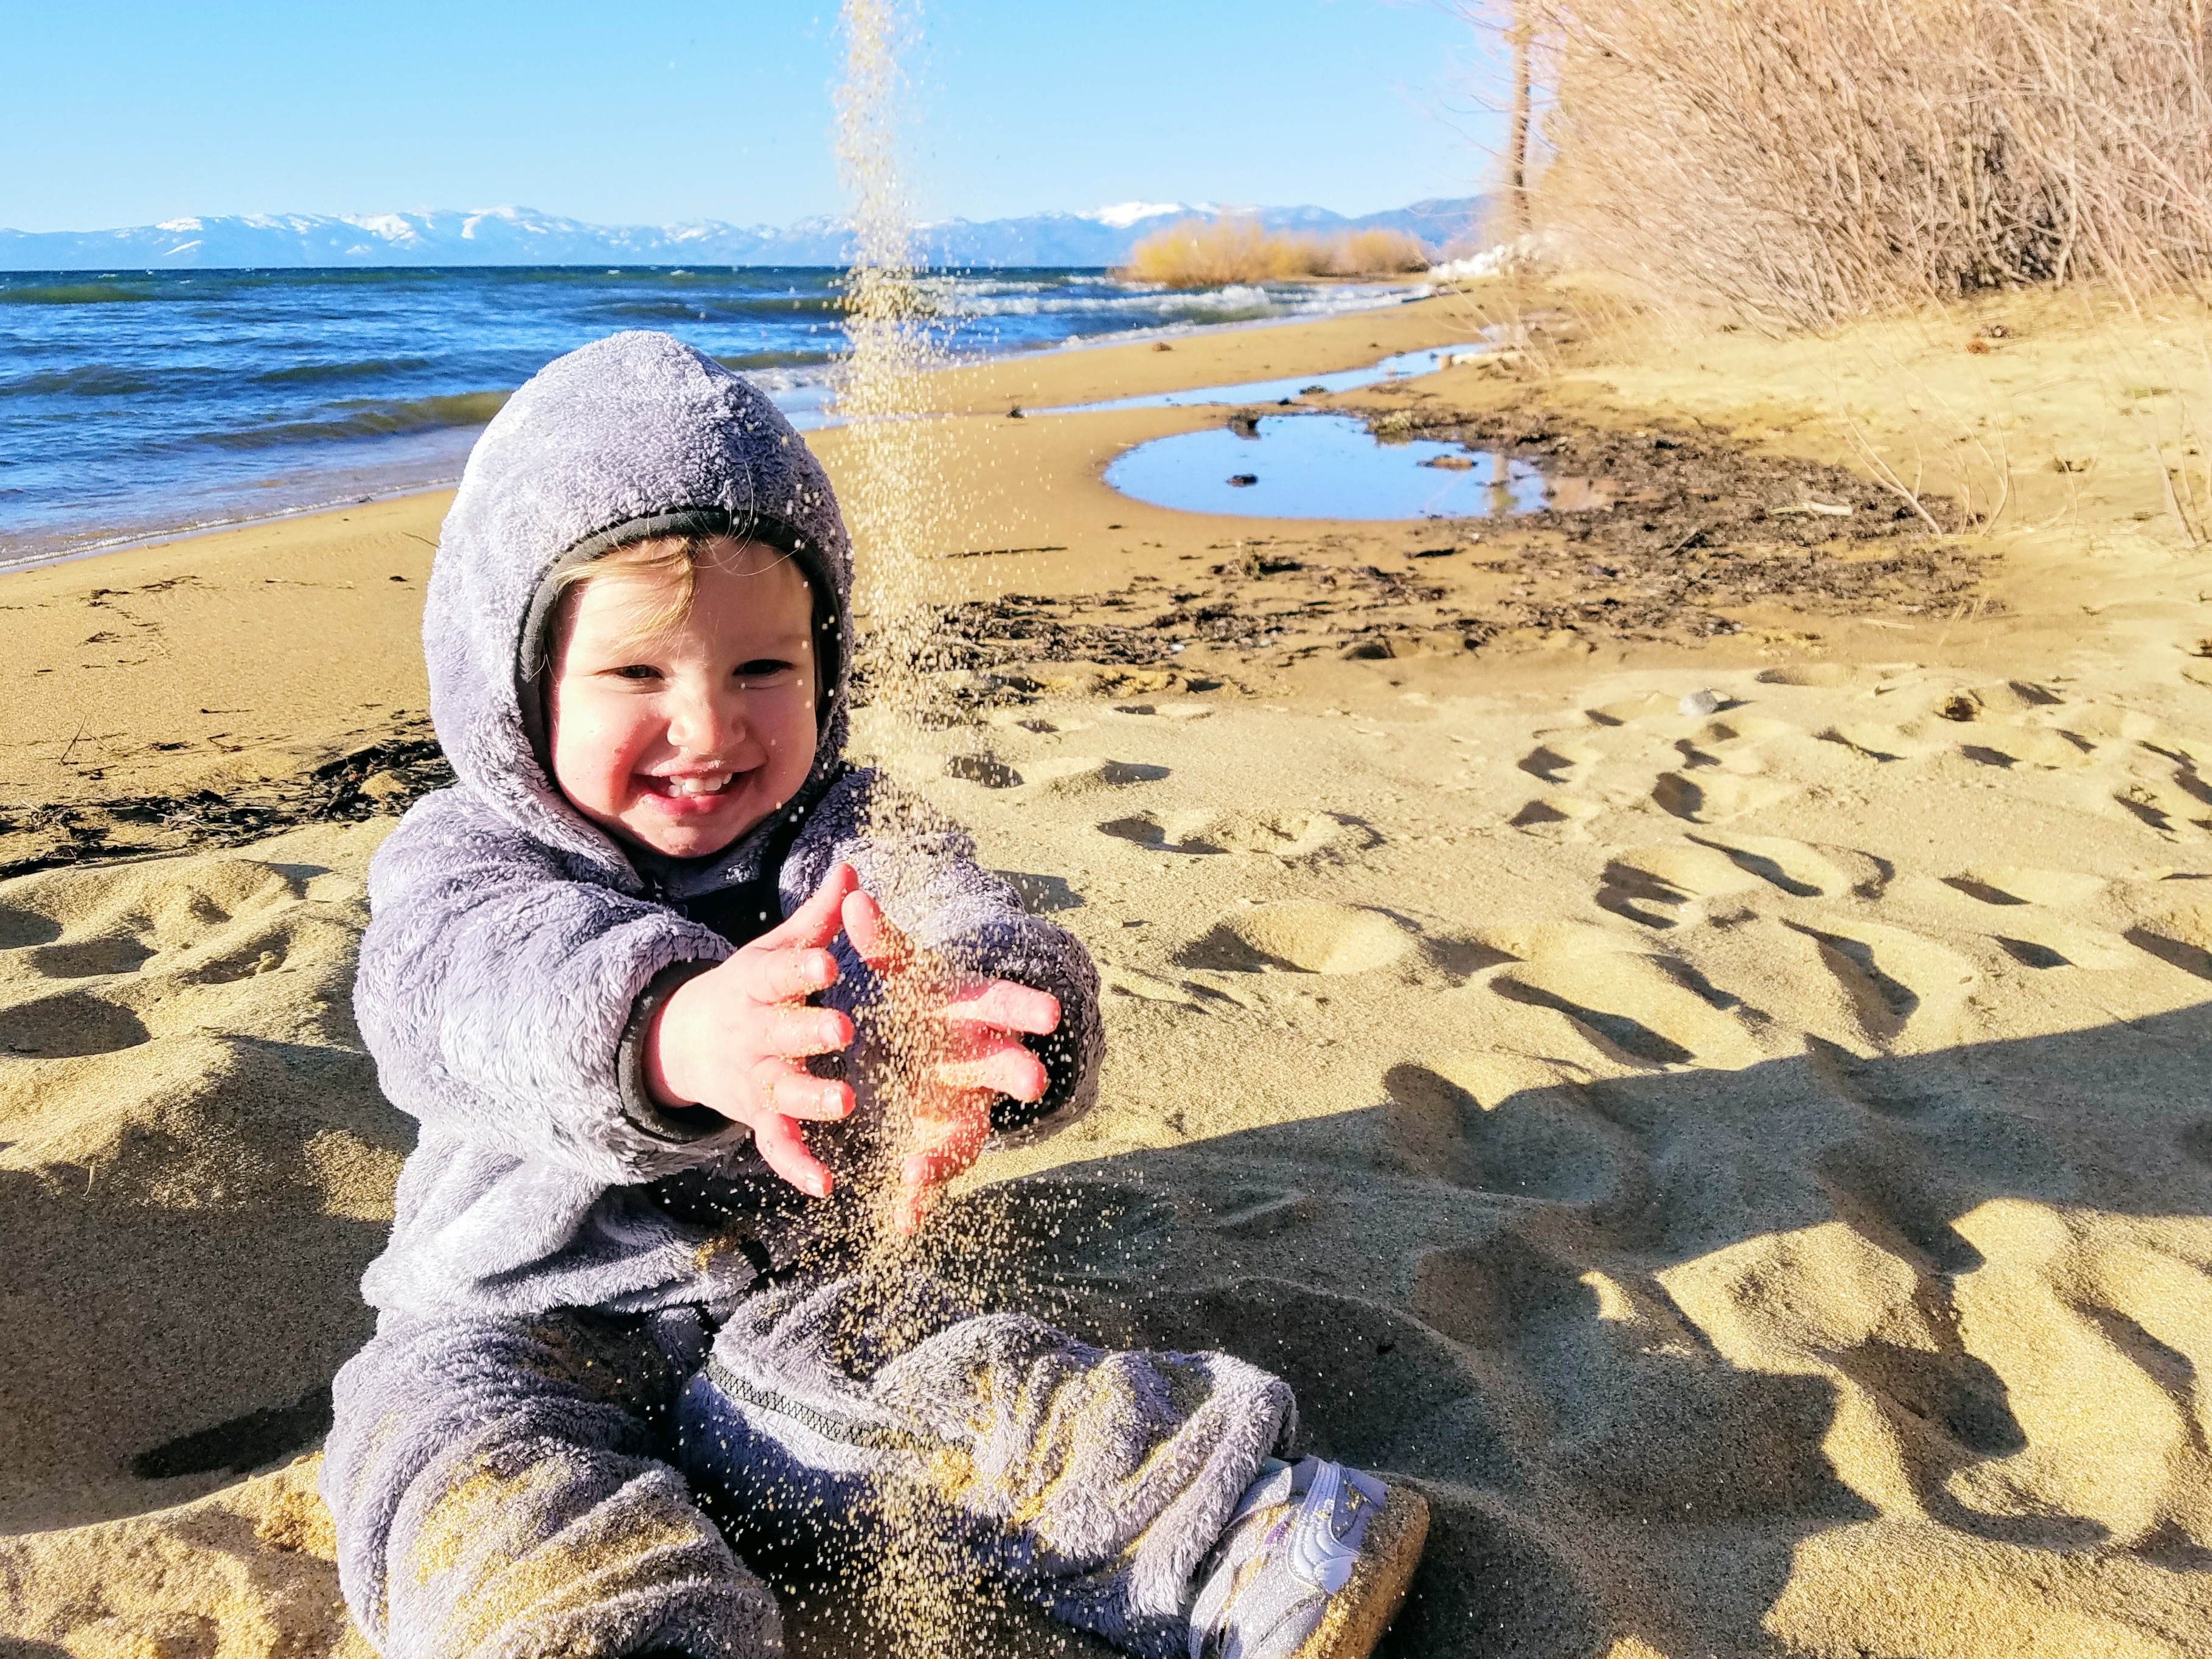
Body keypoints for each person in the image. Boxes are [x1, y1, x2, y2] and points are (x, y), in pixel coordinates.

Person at [320, 331, 1428, 1659]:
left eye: (761, 670)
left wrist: (994, 1015)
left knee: (966, 1387)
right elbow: (454, 998)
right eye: (636, 675)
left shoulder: (846, 832)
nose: (709, 729)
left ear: (826, 666)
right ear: (514, 684)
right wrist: (669, 1031)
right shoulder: (470, 857)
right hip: (516, 1310)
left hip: (801, 1295)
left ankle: (1233, 1523)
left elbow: (970, 913)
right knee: (453, 1467)